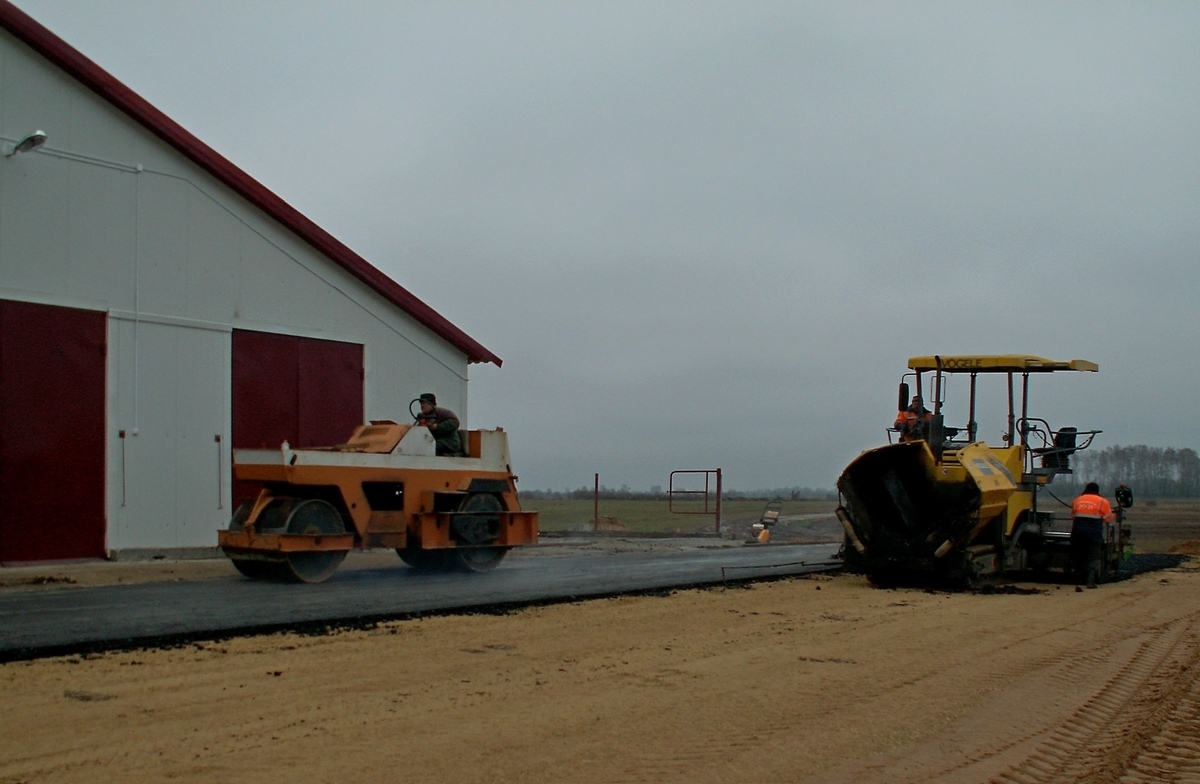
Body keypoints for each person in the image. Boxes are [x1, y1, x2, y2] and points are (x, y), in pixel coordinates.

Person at [1070, 481, 1115, 588]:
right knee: (1093, 558)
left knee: (1079, 557)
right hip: (1093, 535)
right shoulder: (1102, 502)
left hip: (1077, 534)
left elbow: (1073, 516)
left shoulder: (1077, 500)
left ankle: (1078, 580)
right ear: (1097, 491)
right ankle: (1089, 581)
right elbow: (1108, 518)